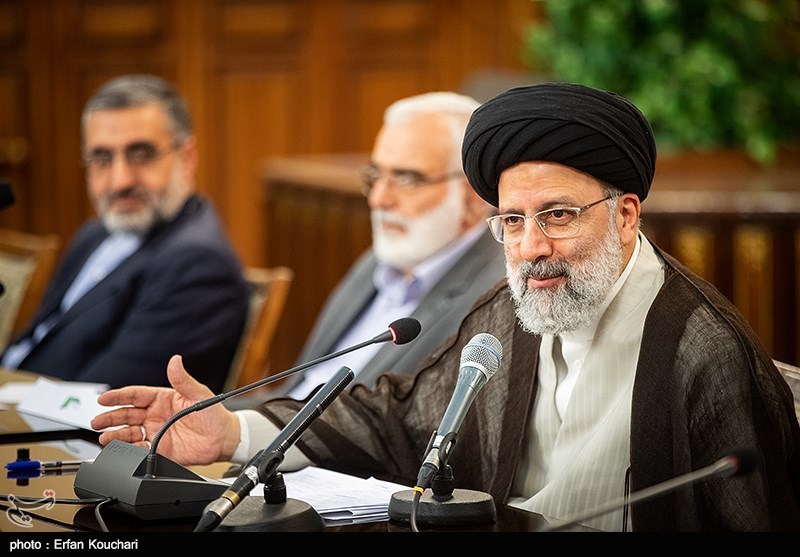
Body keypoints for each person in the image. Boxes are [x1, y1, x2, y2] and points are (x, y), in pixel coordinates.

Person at [91, 82, 800, 531]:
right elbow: (399, 421)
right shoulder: (507, 316)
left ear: (625, 215)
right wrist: (231, 430)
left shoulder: (702, 351)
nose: (531, 247)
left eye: (557, 215)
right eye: (512, 221)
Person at [1, 74, 249, 393]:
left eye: (141, 154)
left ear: (187, 157)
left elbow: (107, 401)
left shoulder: (198, 266)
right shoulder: (94, 234)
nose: (120, 181)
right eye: (102, 158)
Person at [269, 91, 504, 400]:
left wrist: (245, 426)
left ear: (473, 197)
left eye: (406, 179)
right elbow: (296, 389)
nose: (379, 199)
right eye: (376, 175)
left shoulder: (493, 295)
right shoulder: (378, 262)